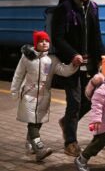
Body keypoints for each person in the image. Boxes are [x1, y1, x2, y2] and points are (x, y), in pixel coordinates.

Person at [51, 0, 103, 156]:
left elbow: (97, 36)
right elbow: (57, 38)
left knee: (89, 100)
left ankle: (67, 122)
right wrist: (72, 54)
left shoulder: (93, 8)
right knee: (74, 102)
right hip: (71, 64)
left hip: (89, 63)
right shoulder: (64, 9)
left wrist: (99, 60)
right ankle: (70, 142)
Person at [10, 31, 78, 162]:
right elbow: (18, 75)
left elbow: (63, 71)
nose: (44, 43)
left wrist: (73, 65)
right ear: (36, 44)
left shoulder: (51, 60)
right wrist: (14, 92)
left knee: (38, 121)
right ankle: (39, 149)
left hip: (44, 97)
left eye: (46, 41)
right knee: (33, 122)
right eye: (41, 41)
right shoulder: (26, 58)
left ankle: (30, 144)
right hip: (29, 95)